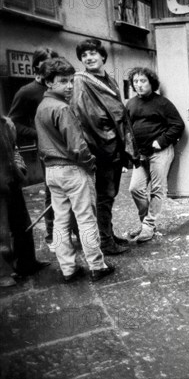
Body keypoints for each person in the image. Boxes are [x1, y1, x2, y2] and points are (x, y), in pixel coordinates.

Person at [35, 57, 114, 283]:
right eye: (63, 81)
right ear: (49, 82)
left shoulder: (42, 107)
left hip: (52, 170)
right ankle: (97, 265)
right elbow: (77, 147)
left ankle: (68, 268)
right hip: (73, 169)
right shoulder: (62, 108)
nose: (69, 86)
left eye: (70, 81)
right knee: (86, 218)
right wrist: (90, 163)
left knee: (60, 221)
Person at [71, 38, 138, 255]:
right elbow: (88, 117)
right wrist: (108, 144)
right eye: (84, 55)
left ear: (102, 57)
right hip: (101, 148)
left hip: (114, 146)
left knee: (109, 195)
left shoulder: (108, 80)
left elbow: (118, 110)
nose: (89, 58)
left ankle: (108, 234)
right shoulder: (82, 81)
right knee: (103, 197)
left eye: (92, 53)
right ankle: (105, 242)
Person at [125, 67, 185, 243]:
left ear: (151, 83)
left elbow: (177, 125)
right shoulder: (130, 104)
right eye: (135, 82)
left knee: (158, 189)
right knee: (135, 188)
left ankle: (148, 225)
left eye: (143, 81)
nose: (139, 85)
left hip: (160, 152)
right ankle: (146, 223)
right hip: (140, 154)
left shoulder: (162, 103)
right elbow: (127, 129)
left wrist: (161, 141)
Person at [8, 48, 59, 245]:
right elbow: (14, 123)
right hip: (47, 149)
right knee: (53, 189)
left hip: (68, 145)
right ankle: (52, 235)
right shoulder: (27, 92)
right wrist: (38, 133)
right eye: (47, 63)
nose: (51, 67)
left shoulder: (58, 86)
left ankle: (74, 231)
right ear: (37, 66)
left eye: (55, 62)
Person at [0, 115, 50, 282]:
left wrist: (20, 168)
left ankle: (27, 263)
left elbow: (14, 150)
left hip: (12, 181)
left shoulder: (5, 123)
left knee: (22, 225)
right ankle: (5, 272)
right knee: (2, 231)